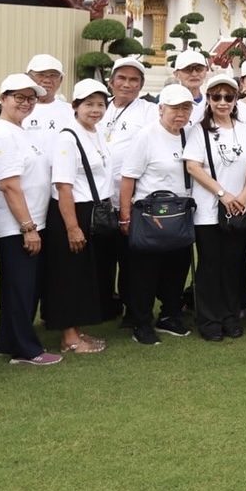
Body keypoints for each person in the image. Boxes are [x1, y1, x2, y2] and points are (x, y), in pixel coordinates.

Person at [0, 73, 63, 365]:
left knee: (23, 287)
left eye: (31, 98)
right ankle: (25, 349)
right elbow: (9, 185)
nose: (26, 103)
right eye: (19, 97)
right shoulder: (3, 133)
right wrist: (28, 227)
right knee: (21, 288)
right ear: (3, 98)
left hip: (31, 222)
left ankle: (7, 342)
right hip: (16, 226)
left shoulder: (20, 130)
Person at [118, 84, 198, 345]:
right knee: (145, 272)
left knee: (177, 268)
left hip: (179, 214)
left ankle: (170, 315)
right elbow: (128, 178)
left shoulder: (189, 135)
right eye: (175, 108)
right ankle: (141, 322)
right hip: (150, 214)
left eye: (186, 108)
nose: (180, 114)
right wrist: (125, 217)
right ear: (161, 109)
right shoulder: (146, 136)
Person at [185, 72, 246, 341]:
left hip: (238, 208)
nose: (223, 102)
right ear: (209, 99)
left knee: (233, 265)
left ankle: (230, 316)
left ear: (236, 98)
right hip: (209, 210)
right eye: (216, 96)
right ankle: (209, 320)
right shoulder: (199, 130)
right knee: (210, 266)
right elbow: (193, 166)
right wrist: (223, 193)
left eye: (228, 96)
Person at [45, 79, 111, 355]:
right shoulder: (67, 137)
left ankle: (76, 329)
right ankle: (68, 337)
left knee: (83, 274)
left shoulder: (95, 132)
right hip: (72, 212)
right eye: (89, 104)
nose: (95, 110)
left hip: (91, 211)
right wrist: (72, 227)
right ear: (75, 106)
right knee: (69, 275)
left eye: (100, 104)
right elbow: (63, 186)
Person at [96, 57, 152, 320]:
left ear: (140, 85)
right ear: (111, 82)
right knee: (101, 259)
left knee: (132, 260)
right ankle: (105, 305)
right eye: (122, 78)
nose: (127, 85)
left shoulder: (148, 112)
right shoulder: (99, 107)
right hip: (100, 199)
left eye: (133, 80)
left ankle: (134, 310)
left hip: (131, 198)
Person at [23, 54, 75, 134]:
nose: (47, 80)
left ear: (60, 80)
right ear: (29, 77)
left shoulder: (72, 111)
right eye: (41, 75)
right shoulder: (19, 109)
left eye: (53, 76)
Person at [172, 50, 210, 125]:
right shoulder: (168, 104)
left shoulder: (212, 104)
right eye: (188, 69)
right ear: (176, 74)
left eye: (199, 69)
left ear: (205, 72)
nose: (194, 74)